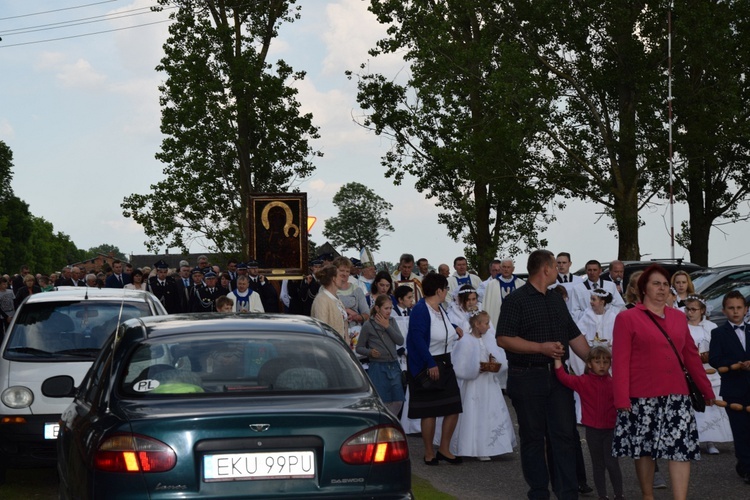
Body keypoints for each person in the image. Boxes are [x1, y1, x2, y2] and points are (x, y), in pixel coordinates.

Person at [612, 264, 715, 500]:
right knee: (646, 450)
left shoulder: (679, 318)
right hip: (641, 395)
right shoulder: (627, 318)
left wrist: (706, 389)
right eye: (656, 283)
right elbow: (619, 361)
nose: (662, 288)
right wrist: (621, 397)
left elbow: (690, 356)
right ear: (643, 289)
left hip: (677, 394)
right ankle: (648, 496)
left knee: (681, 451)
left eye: (665, 284)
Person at [496, 249, 591, 499]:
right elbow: (503, 338)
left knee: (564, 436)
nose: (558, 271)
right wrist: (541, 348)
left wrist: (595, 363)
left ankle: (567, 492)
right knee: (533, 438)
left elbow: (573, 334)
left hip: (558, 378)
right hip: (527, 377)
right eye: (554, 266)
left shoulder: (556, 299)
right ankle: (538, 492)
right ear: (545, 269)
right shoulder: (516, 300)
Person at [406, 272, 463, 466]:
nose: (447, 291)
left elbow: (442, 327)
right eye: (446, 288)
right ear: (438, 290)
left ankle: (444, 449)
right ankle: (429, 452)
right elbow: (417, 339)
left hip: (445, 363)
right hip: (427, 364)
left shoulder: (439, 308)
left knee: (453, 407)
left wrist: (455, 327)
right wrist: (430, 363)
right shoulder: (421, 310)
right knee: (429, 411)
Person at [554, 347, 624, 500]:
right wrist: (557, 358)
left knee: (612, 463)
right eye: (597, 362)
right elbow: (564, 377)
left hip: (611, 429)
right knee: (598, 464)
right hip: (592, 430)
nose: (602, 365)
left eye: (605, 362)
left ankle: (619, 494)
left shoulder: (615, 383)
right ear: (589, 364)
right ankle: (602, 495)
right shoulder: (583, 381)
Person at [450, 311, 515, 460]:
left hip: (489, 382)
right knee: (474, 412)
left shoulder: (489, 339)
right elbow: (459, 364)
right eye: (485, 323)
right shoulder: (465, 341)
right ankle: (475, 447)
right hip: (474, 383)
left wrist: (494, 364)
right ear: (476, 324)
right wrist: (474, 369)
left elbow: (499, 357)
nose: (488, 326)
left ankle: (490, 446)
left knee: (490, 410)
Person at [709, 291, 750, 485]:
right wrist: (735, 365)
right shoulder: (718, 333)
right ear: (724, 311)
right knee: (741, 430)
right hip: (734, 389)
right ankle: (747, 466)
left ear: (746, 309)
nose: (736, 311)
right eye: (731, 308)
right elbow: (716, 359)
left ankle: (744, 465)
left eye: (739, 307)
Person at [684, 295, 732, 456]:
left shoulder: (711, 327)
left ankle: (711, 440)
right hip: (692, 370)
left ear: (702, 310)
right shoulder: (683, 327)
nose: (690, 313)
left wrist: (709, 355)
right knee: (695, 405)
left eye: (693, 309)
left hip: (709, 369)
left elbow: (719, 347)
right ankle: (694, 439)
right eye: (687, 309)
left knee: (712, 405)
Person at [356, 294, 405, 415]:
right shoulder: (368, 325)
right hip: (377, 367)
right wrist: (370, 352)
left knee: (398, 400)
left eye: (390, 308)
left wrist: (387, 326)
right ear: (378, 309)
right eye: (386, 308)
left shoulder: (392, 321)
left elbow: (400, 341)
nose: (389, 311)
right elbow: (359, 348)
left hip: (393, 365)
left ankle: (389, 423)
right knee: (382, 402)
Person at [571, 288, 619, 376]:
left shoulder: (612, 316)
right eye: (591, 299)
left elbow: (617, 334)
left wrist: (610, 343)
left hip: (608, 349)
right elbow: (578, 333)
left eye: (594, 299)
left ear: (602, 302)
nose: (591, 302)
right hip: (591, 349)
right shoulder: (587, 315)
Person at [310, 264, 350, 344]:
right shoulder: (321, 300)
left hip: (340, 347)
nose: (343, 278)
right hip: (330, 349)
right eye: (340, 276)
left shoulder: (336, 298)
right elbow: (322, 330)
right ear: (334, 279)